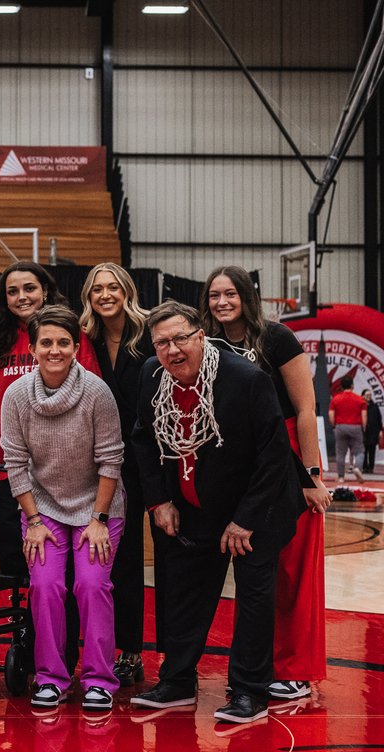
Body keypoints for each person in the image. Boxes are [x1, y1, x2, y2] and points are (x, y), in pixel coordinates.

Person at [130, 301, 301, 724]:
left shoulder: (246, 377)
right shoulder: (152, 375)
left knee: (254, 595)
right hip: (196, 504)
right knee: (186, 589)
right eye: (162, 342)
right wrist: (159, 500)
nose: (171, 350)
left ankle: (249, 692)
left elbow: (274, 454)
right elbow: (142, 439)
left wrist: (244, 519)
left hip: (259, 505)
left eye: (180, 339)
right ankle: (176, 681)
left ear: (201, 336)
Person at [201, 264, 331, 701]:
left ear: (246, 297)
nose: (222, 302)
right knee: (256, 577)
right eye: (215, 294)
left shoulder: (276, 338)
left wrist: (311, 475)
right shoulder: (206, 343)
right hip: (237, 463)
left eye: (230, 294)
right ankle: (259, 665)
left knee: (293, 571)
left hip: (287, 457)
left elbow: (305, 409)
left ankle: (295, 668)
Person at [1, 305, 125, 711]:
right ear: (33, 348)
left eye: (62, 342)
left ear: (76, 346)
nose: (54, 350)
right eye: (46, 342)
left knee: (91, 585)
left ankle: (98, 679)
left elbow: (111, 460)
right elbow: (15, 464)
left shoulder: (96, 392)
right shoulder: (16, 395)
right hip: (44, 510)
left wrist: (99, 520)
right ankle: (51, 677)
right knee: (45, 585)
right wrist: (33, 521)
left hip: (98, 507)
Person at [0, 261, 100, 577]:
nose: (21, 296)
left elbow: (91, 396)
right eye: (12, 291)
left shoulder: (70, 335)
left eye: (29, 288)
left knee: (59, 567)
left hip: (63, 470)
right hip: (12, 469)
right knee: (16, 562)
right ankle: (27, 628)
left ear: (46, 291)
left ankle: (55, 627)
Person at [80, 262, 153, 687]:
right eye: (97, 289)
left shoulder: (147, 335)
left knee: (134, 562)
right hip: (97, 465)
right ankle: (95, 648)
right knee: (104, 559)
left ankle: (131, 650)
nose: (105, 295)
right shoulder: (84, 339)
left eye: (112, 287)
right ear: (89, 297)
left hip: (147, 462)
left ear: (126, 290)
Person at [328, 374, 367, 483]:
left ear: (341, 386)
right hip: (355, 427)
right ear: (352, 386)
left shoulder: (336, 399)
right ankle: (357, 468)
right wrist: (363, 427)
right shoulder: (360, 400)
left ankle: (341, 477)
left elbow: (331, 415)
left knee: (340, 453)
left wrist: (334, 425)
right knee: (359, 452)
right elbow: (364, 416)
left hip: (340, 426)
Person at [364, 389, 382, 473]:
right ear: (363, 396)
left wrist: (380, 430)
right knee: (363, 451)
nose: (369, 397)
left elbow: (379, 419)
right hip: (363, 432)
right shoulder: (361, 406)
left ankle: (371, 468)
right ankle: (364, 467)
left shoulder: (375, 406)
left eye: (370, 395)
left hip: (373, 432)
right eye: (367, 395)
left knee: (372, 451)